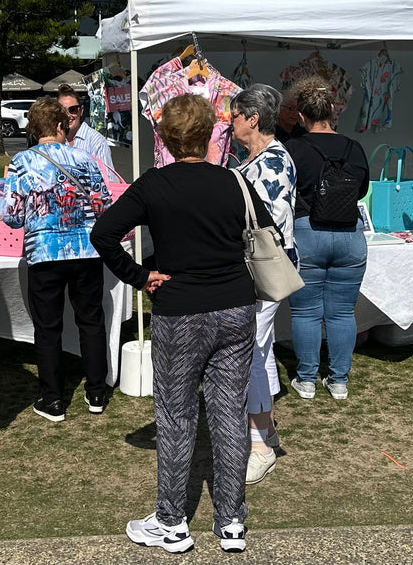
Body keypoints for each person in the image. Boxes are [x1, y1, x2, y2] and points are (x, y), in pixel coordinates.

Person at [91, 94, 275, 555]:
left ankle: (172, 522)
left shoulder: (154, 184)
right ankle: (231, 520)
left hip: (180, 310)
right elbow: (267, 227)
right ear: (210, 134)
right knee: (228, 413)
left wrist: (140, 276)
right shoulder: (235, 181)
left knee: (175, 417)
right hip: (235, 306)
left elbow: (104, 234)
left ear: (166, 138)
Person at [1, 97, 113, 422]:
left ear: (33, 130)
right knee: (91, 320)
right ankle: (95, 392)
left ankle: (53, 400)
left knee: (48, 328)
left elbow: (12, 217)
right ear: (63, 125)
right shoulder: (86, 159)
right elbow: (103, 206)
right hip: (86, 250)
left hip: (44, 253)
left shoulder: (22, 161)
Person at [283, 76, 370, 401]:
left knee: (306, 312)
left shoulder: (293, 149)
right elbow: (361, 190)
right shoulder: (355, 148)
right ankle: (338, 381)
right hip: (350, 235)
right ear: (332, 111)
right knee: (342, 312)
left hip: (308, 233)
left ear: (302, 116)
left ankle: (306, 380)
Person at [229, 84, 295, 485]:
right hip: (259, 270)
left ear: (253, 119)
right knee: (259, 350)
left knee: (249, 351)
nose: (229, 122)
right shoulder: (257, 158)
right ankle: (264, 429)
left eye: (234, 115)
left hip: (262, 273)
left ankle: (260, 444)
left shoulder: (269, 162)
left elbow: (265, 224)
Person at [60, 83, 114, 169]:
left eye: (72, 110)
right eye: (63, 111)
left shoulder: (96, 141)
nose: (68, 115)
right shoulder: (56, 139)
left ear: (81, 111)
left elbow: (108, 178)